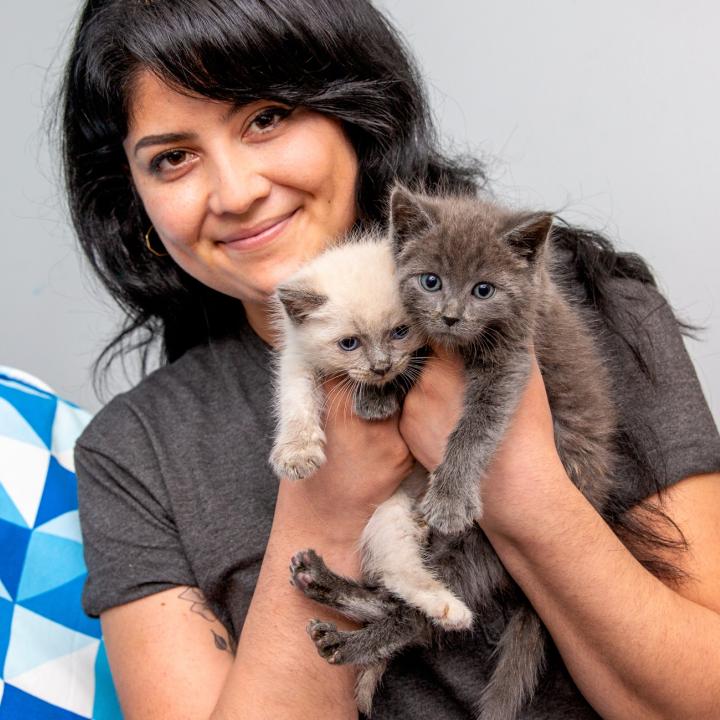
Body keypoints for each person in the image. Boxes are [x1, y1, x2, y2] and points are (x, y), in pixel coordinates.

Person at [60, 1, 720, 718]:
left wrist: (524, 487)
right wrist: (324, 514)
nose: (238, 192)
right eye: (173, 158)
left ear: (354, 113)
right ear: (135, 201)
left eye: (266, 118)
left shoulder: (601, 312)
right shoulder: (135, 453)